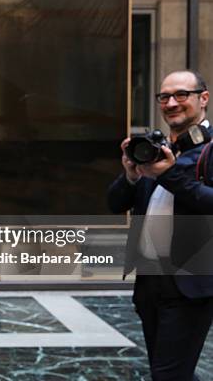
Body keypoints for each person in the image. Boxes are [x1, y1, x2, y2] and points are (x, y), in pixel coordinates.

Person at [108, 70, 213, 380]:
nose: (171, 103)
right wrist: (131, 173)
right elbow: (114, 204)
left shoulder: (209, 150)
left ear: (203, 98)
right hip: (150, 281)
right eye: (164, 97)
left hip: (190, 283)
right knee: (166, 369)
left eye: (181, 95)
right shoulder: (156, 151)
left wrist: (167, 174)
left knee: (168, 374)